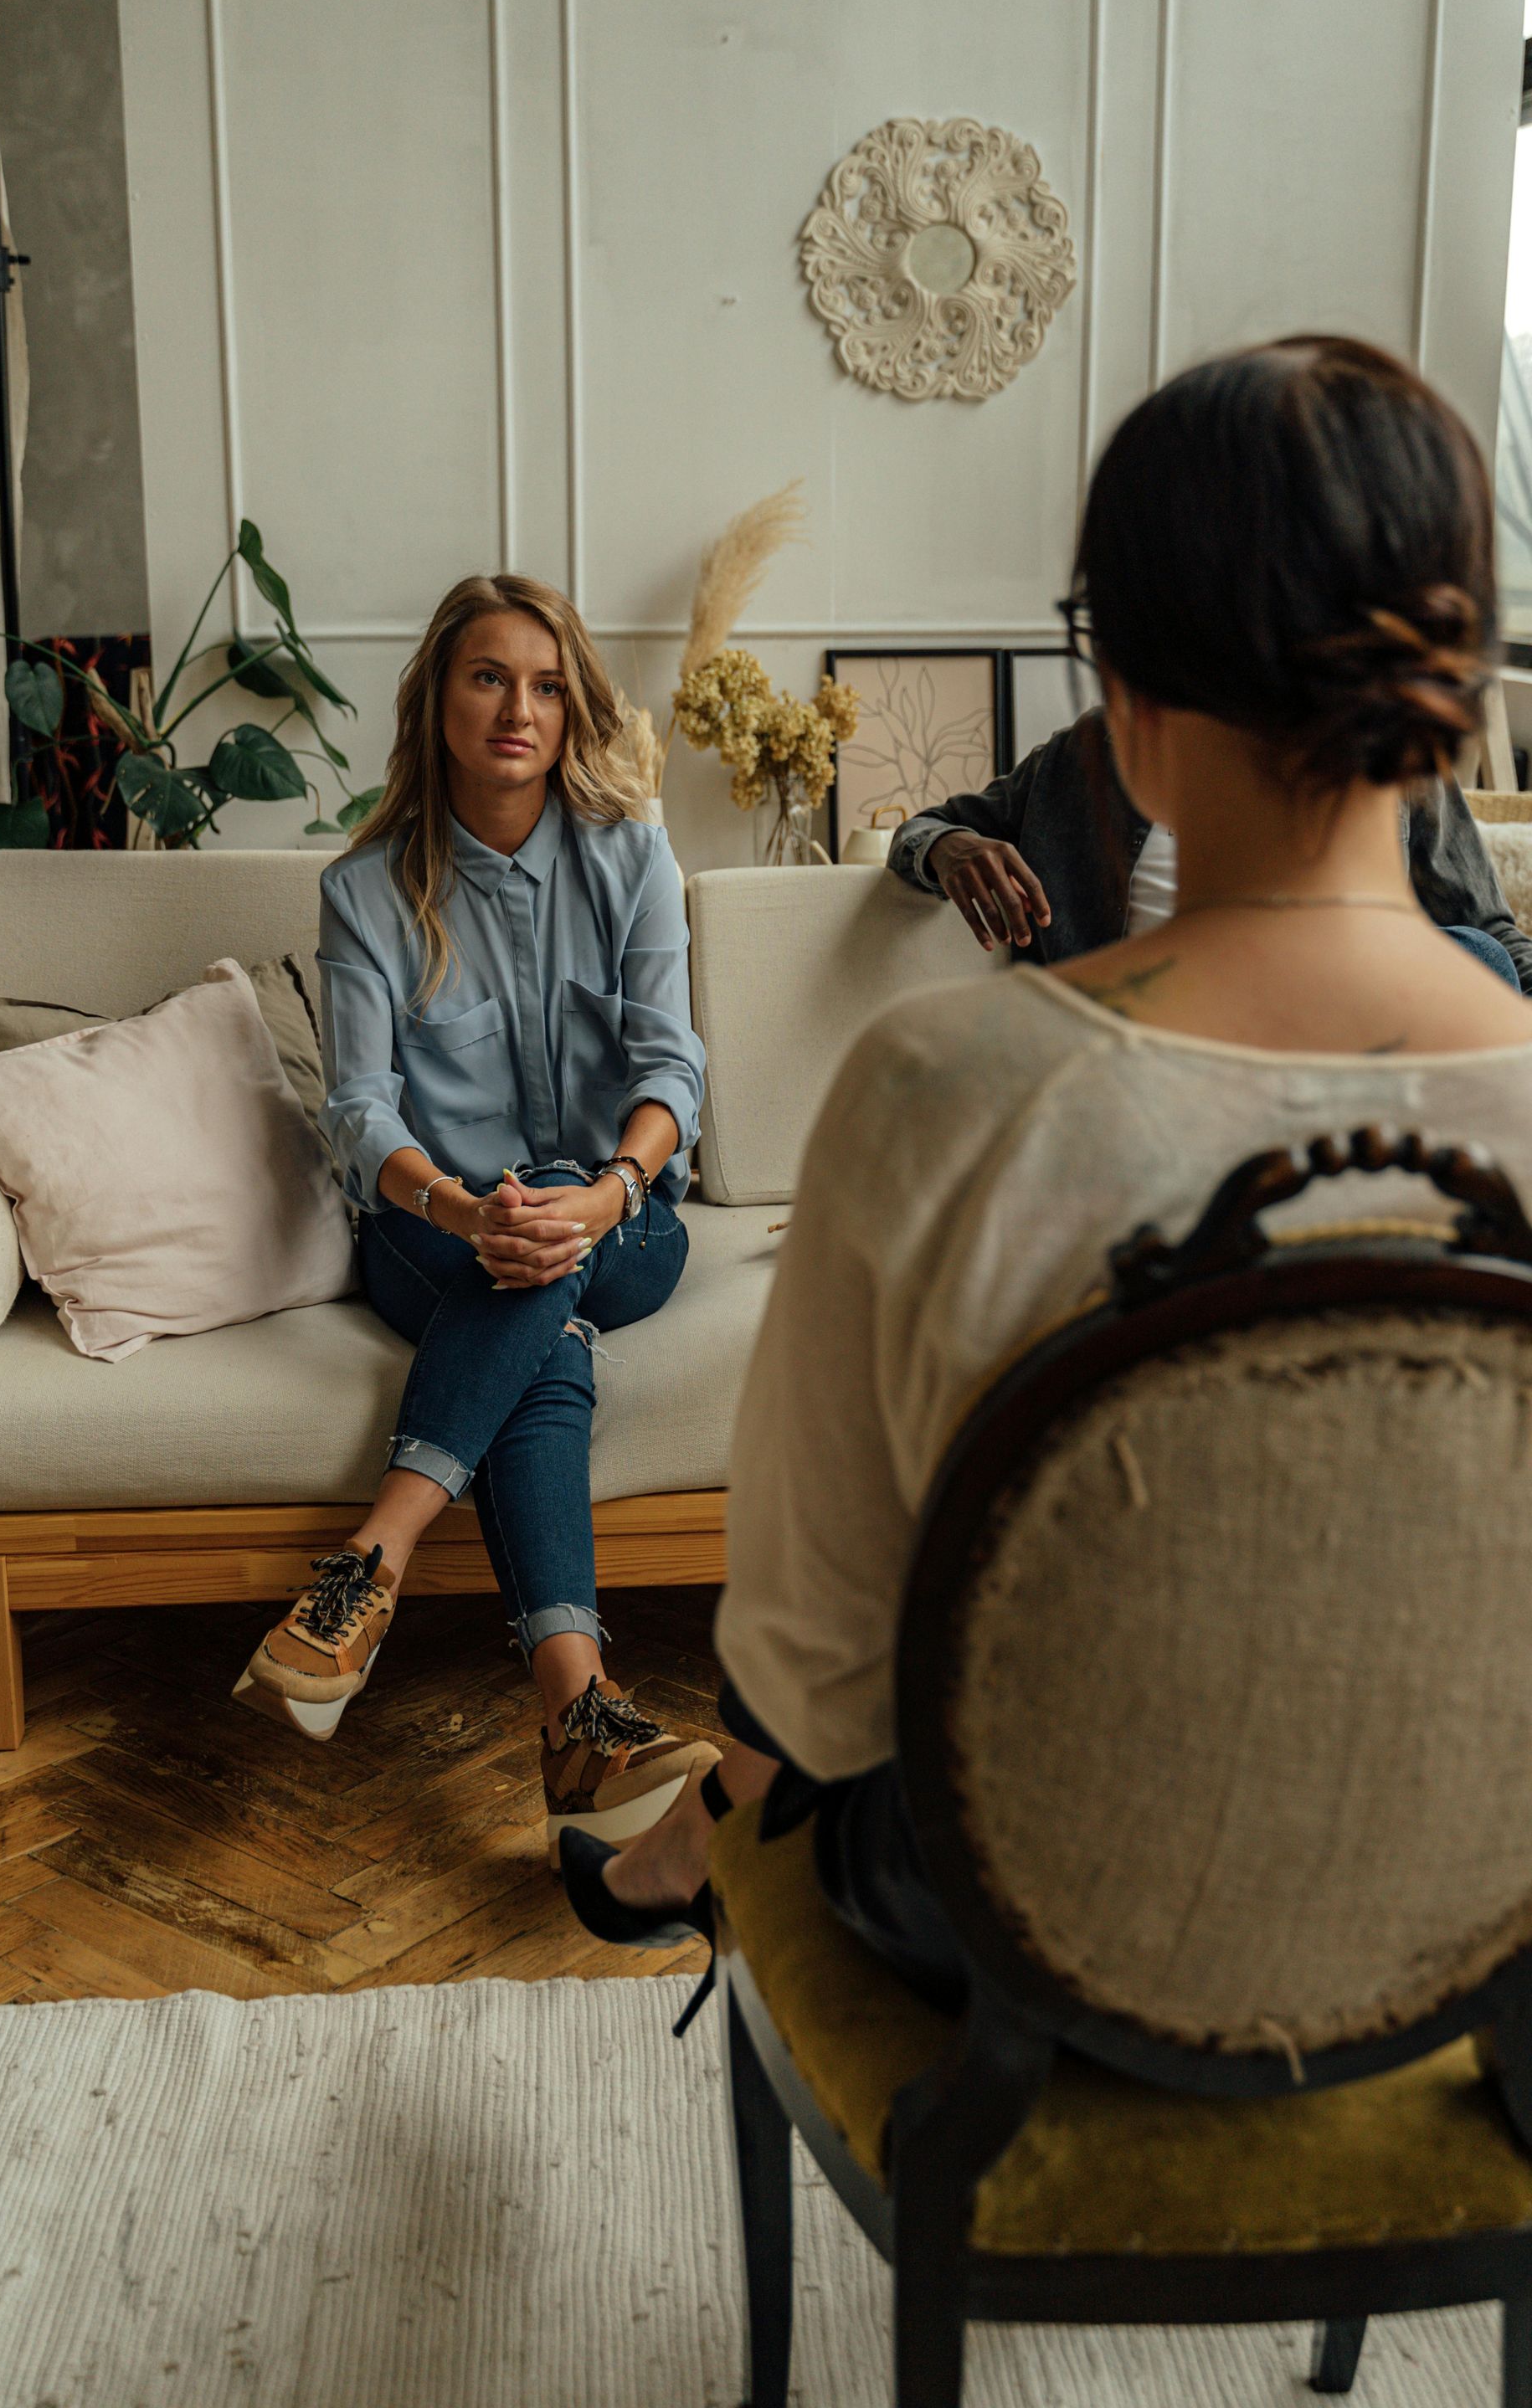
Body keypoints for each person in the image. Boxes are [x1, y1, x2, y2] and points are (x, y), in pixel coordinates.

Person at [562, 334, 1532, 2000]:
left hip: (1026, 1920)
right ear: (1447, 682)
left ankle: (693, 1860)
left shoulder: (943, 1091)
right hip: (1482, 1915)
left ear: (1128, 688)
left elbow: (814, 1672)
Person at [241, 572, 720, 1866]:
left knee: (548, 1260)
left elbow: (673, 1069)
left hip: (619, 1211)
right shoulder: (366, 890)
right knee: (531, 1302)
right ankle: (578, 1715)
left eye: (549, 683)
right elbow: (359, 1111)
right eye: (490, 677)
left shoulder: (630, 855)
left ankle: (366, 1569)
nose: (521, 706)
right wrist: (465, 1204)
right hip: (433, 1221)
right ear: (437, 700)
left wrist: (609, 1190)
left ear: (575, 708)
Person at [887, 706, 1532, 991]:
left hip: (1347, 1064)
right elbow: (919, 830)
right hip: (1133, 1060)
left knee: (1478, 959)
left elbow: (1495, 938)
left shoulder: (1392, 756)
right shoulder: (1097, 753)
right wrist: (951, 847)